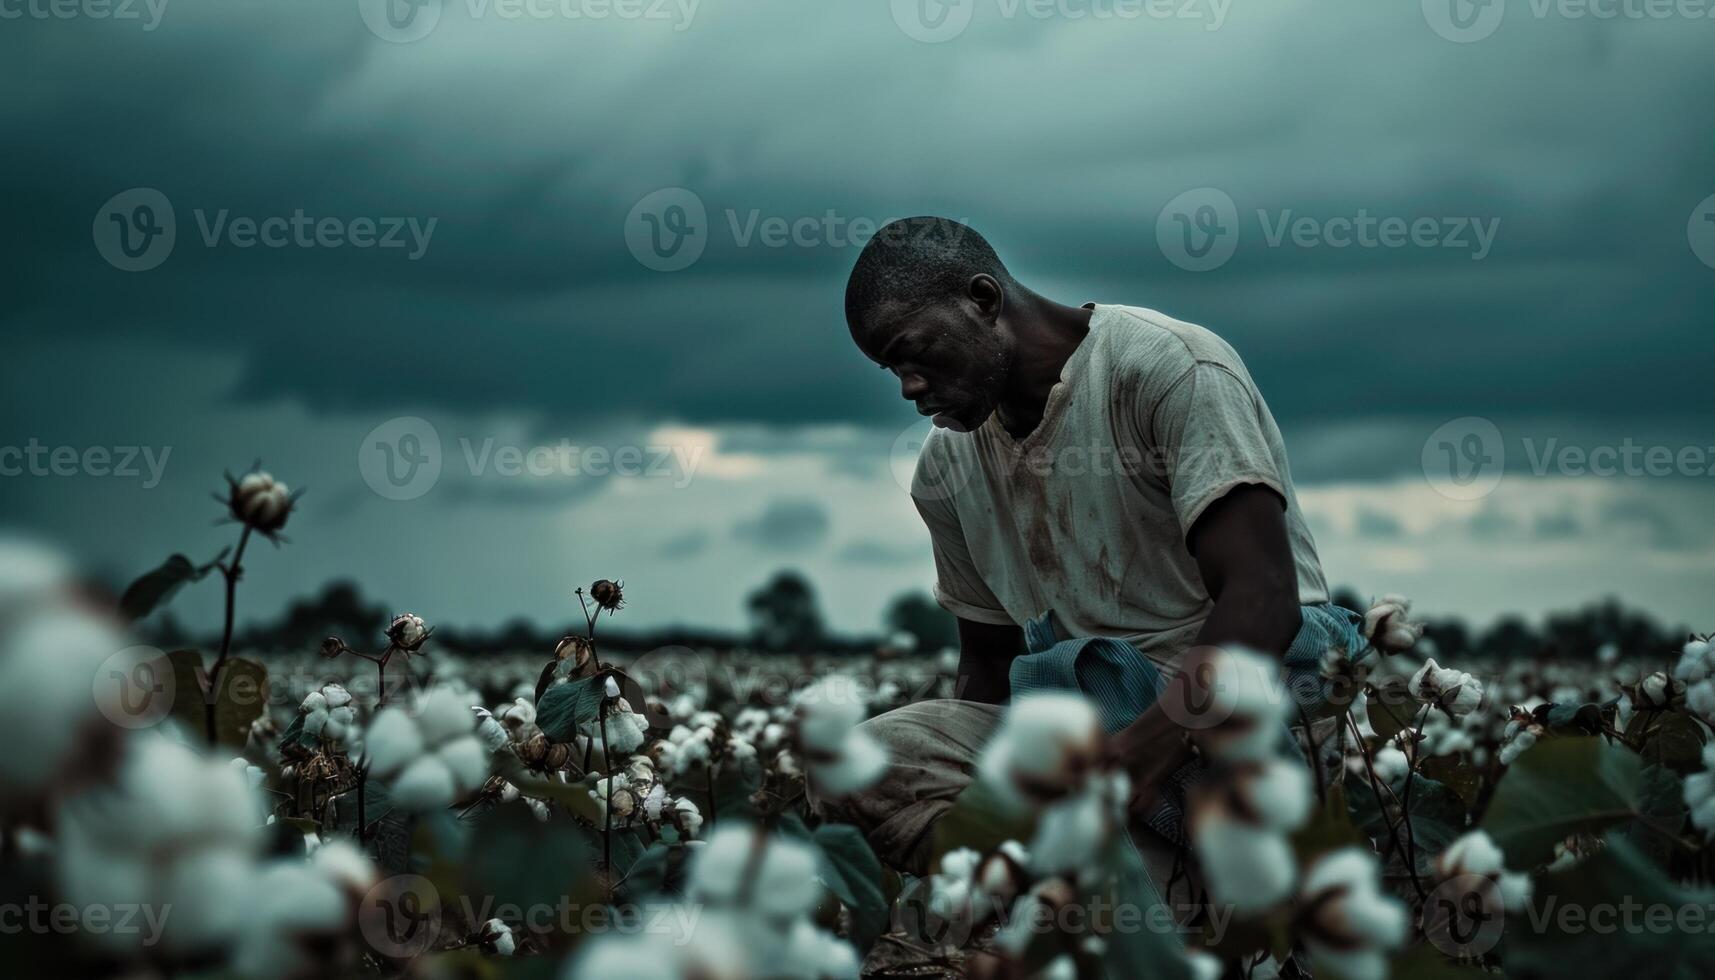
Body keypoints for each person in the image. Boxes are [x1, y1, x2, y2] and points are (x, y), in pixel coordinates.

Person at [816, 216, 1358, 898]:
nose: (907, 387)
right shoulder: (946, 472)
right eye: (891, 369)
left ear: (982, 300)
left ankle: (1125, 893)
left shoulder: (1168, 369)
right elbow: (987, 666)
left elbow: (1261, 597)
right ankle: (1035, 894)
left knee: (1119, 914)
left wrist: (1148, 748)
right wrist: (996, 798)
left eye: (912, 352)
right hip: (1084, 739)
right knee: (859, 763)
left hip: (1236, 718)